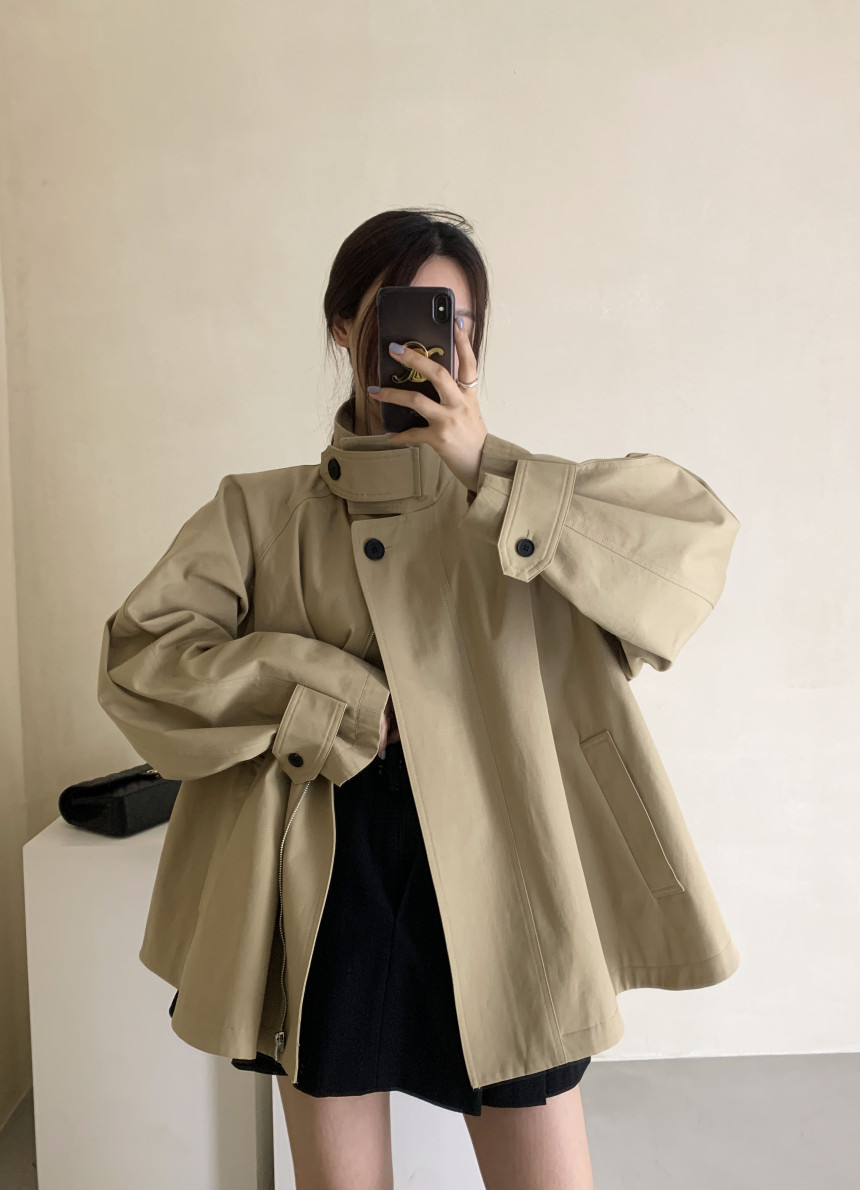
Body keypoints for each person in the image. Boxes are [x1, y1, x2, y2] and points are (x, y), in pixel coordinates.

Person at [100, 207, 740, 1190]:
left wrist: (490, 469)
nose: (426, 345)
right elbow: (143, 656)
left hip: (505, 879)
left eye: (454, 320)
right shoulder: (258, 511)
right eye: (395, 313)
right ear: (342, 326)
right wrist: (327, 699)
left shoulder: (525, 507)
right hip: (325, 879)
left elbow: (692, 547)